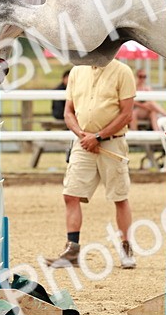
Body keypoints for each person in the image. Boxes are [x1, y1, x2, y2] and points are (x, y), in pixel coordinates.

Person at [43, 57, 137, 270]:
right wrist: (83, 136)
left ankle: (126, 247)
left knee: (119, 196)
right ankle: (72, 249)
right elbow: (69, 111)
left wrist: (99, 136)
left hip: (112, 143)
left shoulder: (123, 71)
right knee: (70, 194)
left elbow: (126, 113)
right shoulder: (77, 71)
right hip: (83, 143)